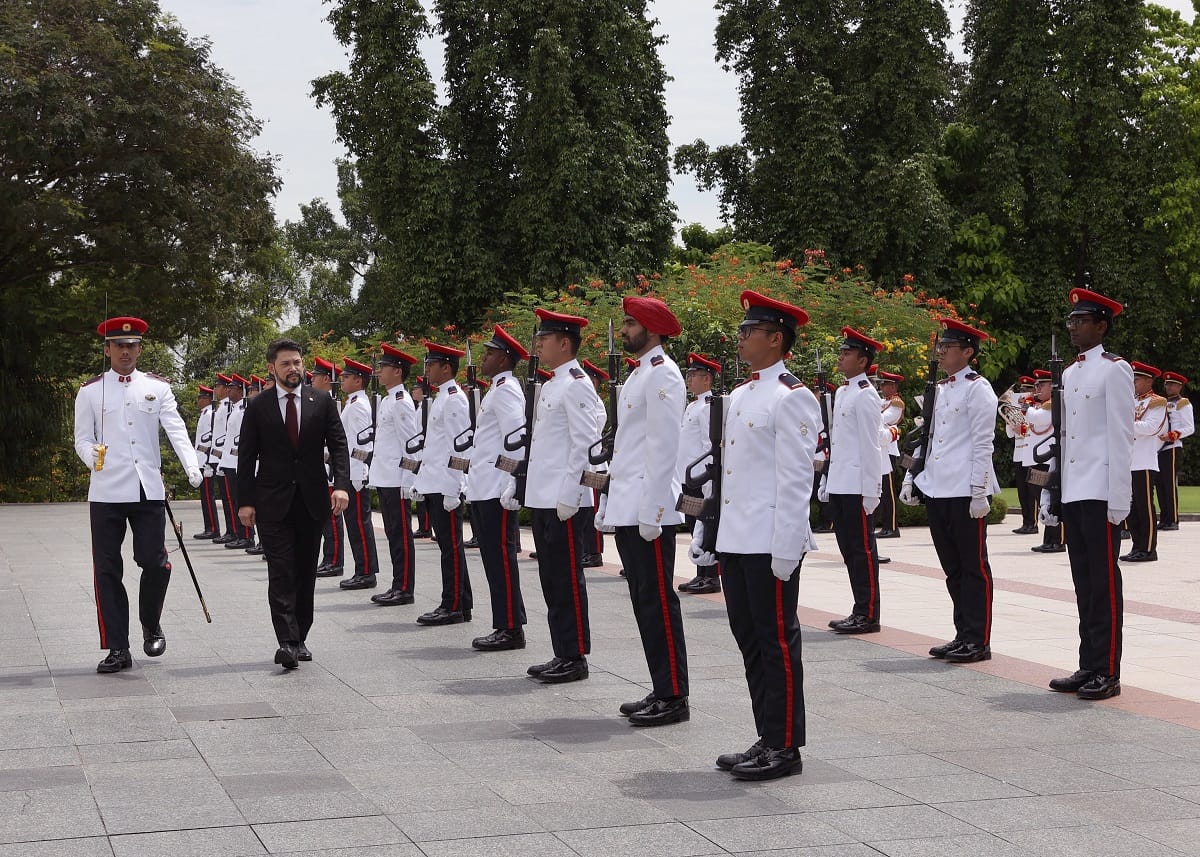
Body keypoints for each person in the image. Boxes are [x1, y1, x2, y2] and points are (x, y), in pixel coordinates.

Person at [707, 290, 818, 781]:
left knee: (776, 643)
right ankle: (766, 735)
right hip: (737, 537)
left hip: (769, 540)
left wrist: (787, 546)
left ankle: (786, 746)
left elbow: (796, 479)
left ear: (776, 338)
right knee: (750, 640)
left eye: (750, 331)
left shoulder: (793, 396)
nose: (741, 337)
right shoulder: (744, 393)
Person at [73, 316, 203, 673]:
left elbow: (175, 429)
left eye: (132, 346)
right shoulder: (90, 391)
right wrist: (91, 455)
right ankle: (118, 647)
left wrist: (191, 464)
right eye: (119, 346)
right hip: (106, 490)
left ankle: (150, 622)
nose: (126, 351)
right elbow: (81, 439)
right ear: (107, 350)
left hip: (147, 489)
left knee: (155, 562)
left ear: (140, 349)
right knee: (107, 570)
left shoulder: (157, 387)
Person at [601, 296, 690, 727]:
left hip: (647, 510)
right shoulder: (641, 375)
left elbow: (663, 447)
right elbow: (628, 447)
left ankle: (674, 695)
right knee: (643, 601)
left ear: (651, 329)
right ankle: (662, 686)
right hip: (631, 504)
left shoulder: (663, 375)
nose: (625, 330)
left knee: (657, 602)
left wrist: (655, 510)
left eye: (631, 323)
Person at [237, 338, 351, 669]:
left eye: (297, 362)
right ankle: (286, 641)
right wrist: (245, 502)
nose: (294, 369)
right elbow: (247, 458)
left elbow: (340, 446)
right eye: (286, 364)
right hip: (272, 502)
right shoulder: (259, 406)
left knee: (304, 571)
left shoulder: (322, 401)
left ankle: (301, 635)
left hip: (312, 501)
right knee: (281, 571)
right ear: (272, 368)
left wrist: (341, 486)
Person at [506, 309, 606, 684]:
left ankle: (575, 654)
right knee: (551, 577)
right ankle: (561, 650)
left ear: (565, 343)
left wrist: (570, 493)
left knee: (566, 578)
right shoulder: (553, 383)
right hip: (545, 496)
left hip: (563, 500)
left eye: (544, 339)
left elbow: (585, 441)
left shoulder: (577, 383)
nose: (538, 345)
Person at [1046, 288, 1134, 701]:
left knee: (1103, 581)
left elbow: (1121, 434)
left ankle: (1108, 670)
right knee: (1083, 581)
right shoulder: (1070, 373)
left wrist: (1120, 497)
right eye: (1071, 321)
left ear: (1101, 325)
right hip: (1076, 488)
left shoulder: (1115, 369)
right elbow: (1064, 435)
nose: (1073, 327)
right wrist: (1053, 487)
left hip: (1100, 489)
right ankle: (1089, 663)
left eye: (1081, 321)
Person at [900, 319, 999, 663]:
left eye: (948, 347)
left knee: (973, 567)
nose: (940, 352)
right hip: (938, 486)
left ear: (968, 352)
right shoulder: (939, 389)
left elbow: (984, 444)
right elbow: (927, 439)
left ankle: (978, 639)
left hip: (962, 488)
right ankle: (962, 633)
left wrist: (978, 491)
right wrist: (912, 477)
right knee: (952, 568)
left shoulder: (978, 388)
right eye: (940, 346)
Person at [467, 326, 530, 650]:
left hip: (496, 490)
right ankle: (504, 623)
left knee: (501, 560)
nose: (484, 358)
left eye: (490, 353)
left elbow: (516, 441)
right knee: (493, 560)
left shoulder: (506, 390)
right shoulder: (497, 388)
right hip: (484, 487)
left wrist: (512, 482)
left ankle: (510, 628)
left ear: (504, 358)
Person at [822, 327, 884, 635]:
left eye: (847, 353)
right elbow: (839, 443)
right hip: (840, 483)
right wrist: (828, 481)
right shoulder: (843, 391)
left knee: (862, 551)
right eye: (842, 352)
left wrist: (872, 490)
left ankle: (868, 613)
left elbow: (871, 446)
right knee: (848, 550)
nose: (841, 357)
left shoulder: (866, 395)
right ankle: (859, 608)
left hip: (858, 485)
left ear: (863, 361)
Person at [413, 341, 473, 625]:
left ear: (446, 367)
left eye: (431, 364)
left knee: (451, 548)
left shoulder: (454, 398)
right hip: (435, 481)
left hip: (445, 485)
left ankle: (453, 605)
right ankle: (462, 602)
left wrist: (453, 487)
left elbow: (459, 447)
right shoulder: (442, 397)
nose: (426, 369)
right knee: (448, 547)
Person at [369, 343, 420, 606]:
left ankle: (404, 588)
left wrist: (408, 482)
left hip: (396, 479)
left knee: (401, 536)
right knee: (392, 534)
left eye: (384, 368)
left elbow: (410, 444)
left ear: (397, 371)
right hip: (385, 477)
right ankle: (396, 584)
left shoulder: (402, 403)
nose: (379, 372)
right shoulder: (390, 399)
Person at [677, 353, 722, 595]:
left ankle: (711, 575)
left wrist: (707, 480)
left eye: (694, 376)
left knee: (706, 524)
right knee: (696, 525)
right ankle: (700, 573)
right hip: (689, 477)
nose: (690, 379)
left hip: (701, 477)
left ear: (707, 379)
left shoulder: (708, 407)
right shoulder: (693, 405)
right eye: (689, 375)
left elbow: (708, 444)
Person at [337, 357, 381, 589]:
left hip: (356, 474)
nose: (342, 380)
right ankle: (361, 569)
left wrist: (358, 474)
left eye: (347, 377)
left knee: (359, 524)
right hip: (351, 472)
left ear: (358, 380)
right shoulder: (353, 404)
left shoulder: (359, 406)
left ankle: (366, 572)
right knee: (353, 524)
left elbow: (364, 445)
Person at [1123, 362, 1167, 563]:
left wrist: (1124, 425)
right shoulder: (1129, 401)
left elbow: (1151, 427)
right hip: (1128, 461)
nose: (1133, 382)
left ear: (1149, 381)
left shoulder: (1157, 402)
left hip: (1144, 460)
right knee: (1130, 507)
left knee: (1144, 506)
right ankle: (1136, 545)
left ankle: (1149, 548)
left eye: (1136, 379)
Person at [310, 358, 346, 579]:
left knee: (332, 517)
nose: (311, 380)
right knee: (326, 518)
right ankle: (328, 558)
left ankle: (334, 561)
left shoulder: (333, 404)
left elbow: (340, 441)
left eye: (315, 376)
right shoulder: (318, 402)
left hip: (331, 467)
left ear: (326, 379)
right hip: (322, 466)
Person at [1026, 370, 1065, 553]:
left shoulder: (1052, 405)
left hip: (1049, 458)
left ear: (1052, 386)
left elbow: (1038, 418)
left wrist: (1028, 409)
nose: (1037, 388)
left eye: (1041, 385)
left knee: (1053, 498)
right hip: (1039, 458)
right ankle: (1049, 538)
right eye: (1036, 385)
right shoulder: (1042, 405)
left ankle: (1058, 538)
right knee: (1041, 498)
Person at [1157, 372, 1194, 530]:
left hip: (1172, 447)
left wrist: (1173, 435)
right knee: (1159, 483)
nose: (1168, 387)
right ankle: (1164, 518)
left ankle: (1173, 519)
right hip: (1159, 448)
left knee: (1169, 483)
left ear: (1179, 386)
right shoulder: (1162, 403)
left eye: (1171, 384)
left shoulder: (1182, 403)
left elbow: (1189, 428)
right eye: (1166, 384)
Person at [874, 370, 905, 539]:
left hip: (890, 450)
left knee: (889, 491)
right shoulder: (884, 401)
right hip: (882, 449)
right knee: (882, 490)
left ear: (892, 386)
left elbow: (881, 420)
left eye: (885, 384)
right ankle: (886, 526)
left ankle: (892, 526)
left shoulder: (896, 404)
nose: (881, 387)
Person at [1010, 376, 1040, 535]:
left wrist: (1022, 429)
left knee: (1032, 491)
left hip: (1030, 453)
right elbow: (1010, 434)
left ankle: (1033, 523)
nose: (1023, 393)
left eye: (1027, 390)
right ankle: (1025, 521)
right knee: (1022, 491)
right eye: (1022, 390)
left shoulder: (1036, 408)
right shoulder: (1018, 409)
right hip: (1019, 453)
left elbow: (1037, 429)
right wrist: (1011, 422)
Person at [192, 385, 219, 539]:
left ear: (208, 399)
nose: (198, 401)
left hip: (206, 459)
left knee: (209, 496)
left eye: (201, 398)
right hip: (201, 458)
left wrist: (208, 461)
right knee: (205, 496)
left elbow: (212, 438)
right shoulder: (204, 414)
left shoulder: (209, 415)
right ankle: (208, 526)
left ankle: (213, 528)